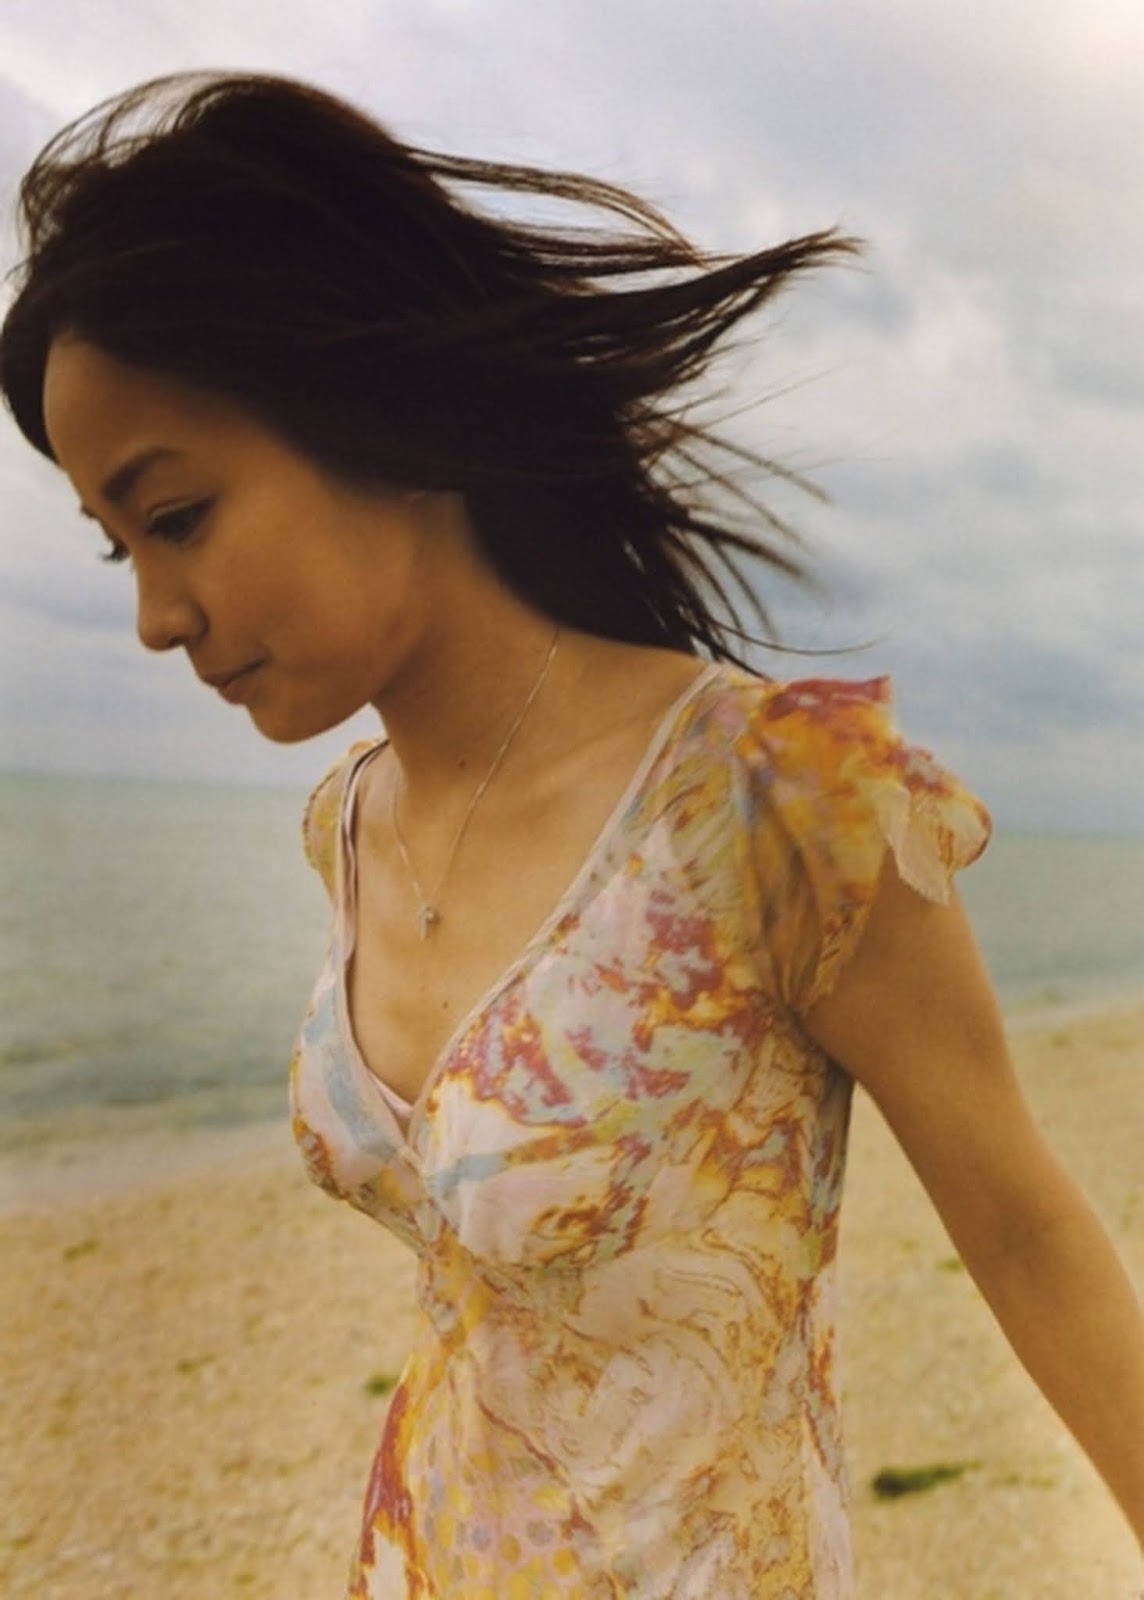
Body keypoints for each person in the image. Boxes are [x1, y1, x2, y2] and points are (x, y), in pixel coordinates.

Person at [2, 69, 1141, 1600]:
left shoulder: (774, 798)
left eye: (178, 517)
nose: (153, 617)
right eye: (117, 547)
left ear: (381, 420)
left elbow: (1023, 1230)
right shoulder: (346, 824)